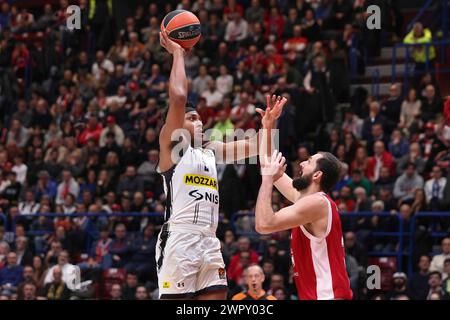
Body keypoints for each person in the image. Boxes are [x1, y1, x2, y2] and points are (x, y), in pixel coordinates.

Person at [155, 30, 287, 300]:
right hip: (180, 238)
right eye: (192, 118)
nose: (200, 121)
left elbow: (258, 146)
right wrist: (178, 54)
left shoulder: (210, 151)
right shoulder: (172, 148)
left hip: (209, 239)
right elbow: (178, 98)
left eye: (200, 117)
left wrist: (269, 124)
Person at [255, 150, 352, 300]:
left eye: (309, 161)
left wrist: (267, 179)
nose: (301, 163)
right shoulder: (306, 201)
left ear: (317, 175)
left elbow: (264, 224)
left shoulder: (317, 203)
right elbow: (267, 161)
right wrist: (268, 128)